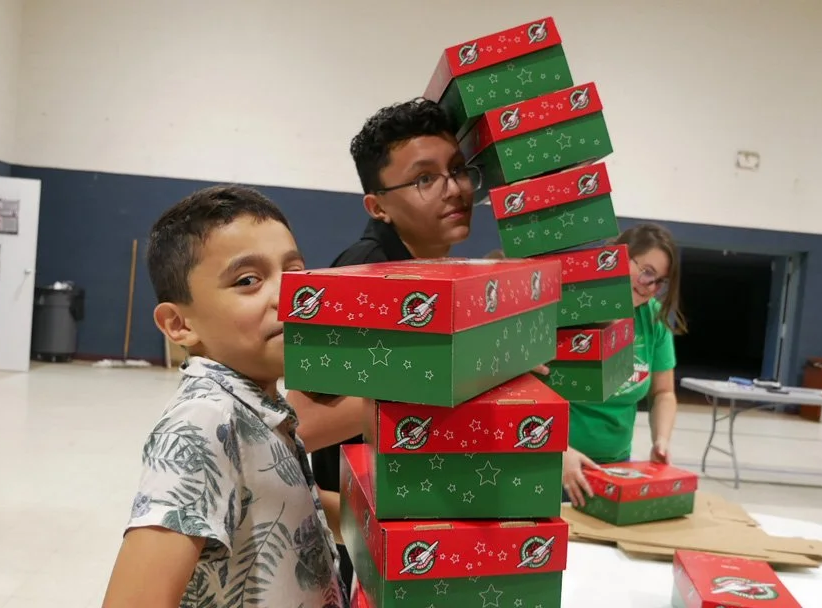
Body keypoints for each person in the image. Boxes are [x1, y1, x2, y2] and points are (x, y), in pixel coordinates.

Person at [285, 98, 547, 598]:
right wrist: (468, 371)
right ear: (377, 205)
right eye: (425, 178)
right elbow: (306, 426)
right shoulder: (364, 275)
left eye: (457, 170)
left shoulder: (439, 269)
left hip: (417, 514)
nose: (454, 189)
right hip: (365, 544)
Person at [101, 186, 345, 608]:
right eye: (248, 281)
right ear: (178, 324)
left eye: (296, 272)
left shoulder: (254, 405)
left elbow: (280, 502)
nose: (287, 295)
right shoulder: (204, 419)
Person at [562, 223, 688, 507]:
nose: (650, 287)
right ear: (618, 257)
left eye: (660, 281)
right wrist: (556, 452)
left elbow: (663, 393)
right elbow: (523, 393)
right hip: (555, 466)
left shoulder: (653, 319)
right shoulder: (571, 307)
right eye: (646, 272)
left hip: (614, 469)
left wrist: (662, 440)